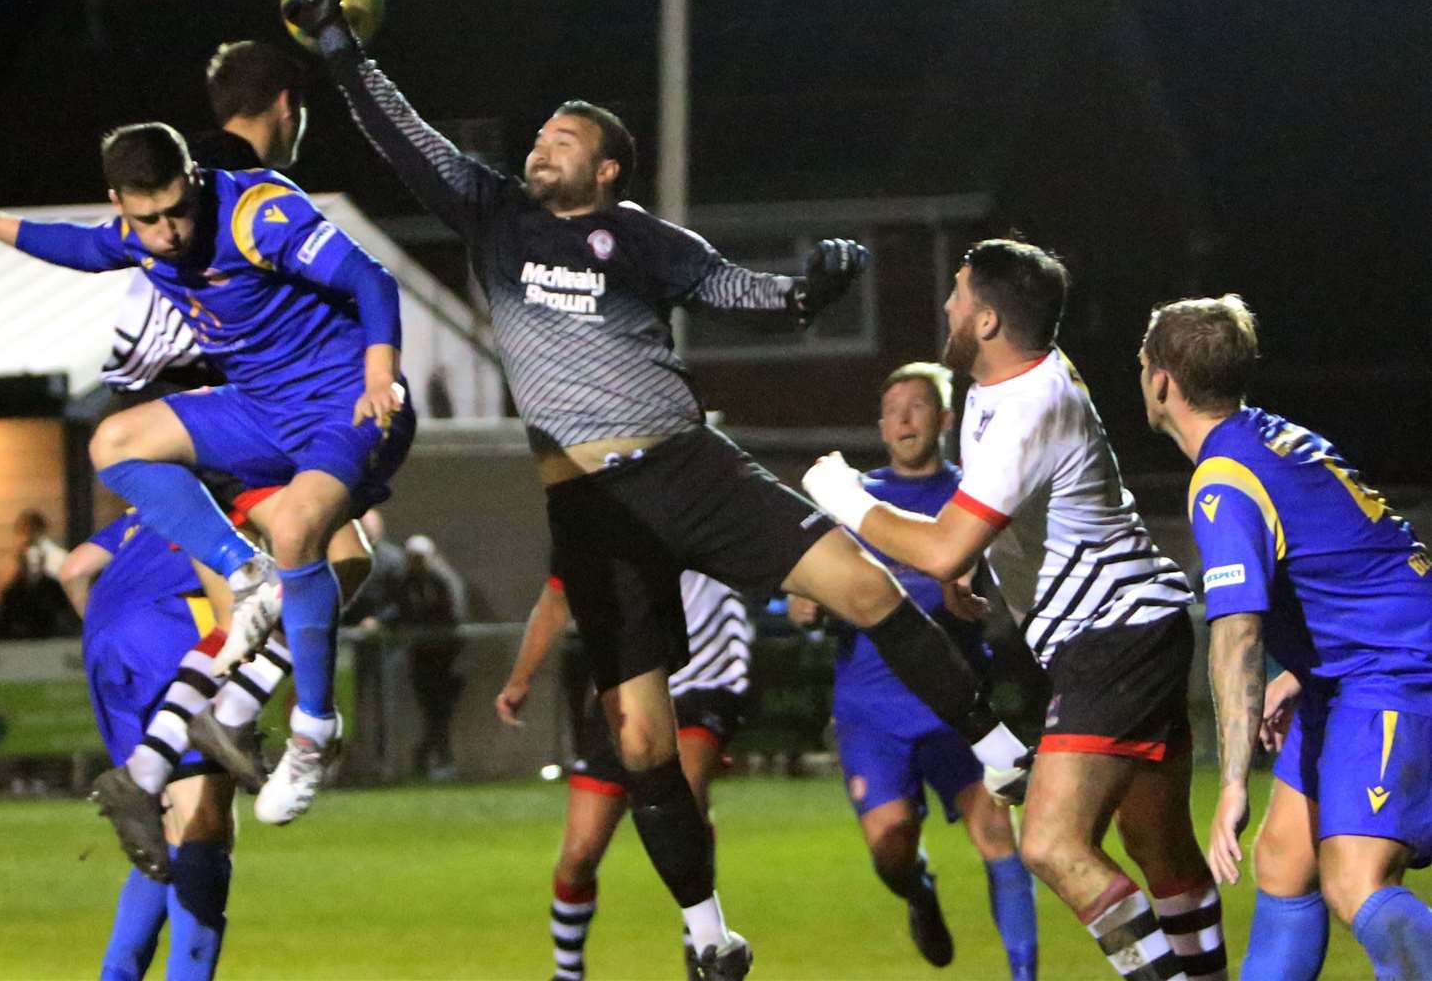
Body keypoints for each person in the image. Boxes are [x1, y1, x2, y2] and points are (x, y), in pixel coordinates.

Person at [285, 0, 1029, 979]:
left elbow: (730, 284)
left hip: (688, 465)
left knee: (860, 583)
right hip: (588, 505)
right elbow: (403, 134)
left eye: (564, 141)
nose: (540, 146)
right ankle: (709, 931)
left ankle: (994, 747)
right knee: (639, 738)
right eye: (541, 134)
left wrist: (809, 293)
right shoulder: (490, 214)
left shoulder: (634, 238)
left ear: (605, 174)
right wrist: (341, 53)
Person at [0, 120, 414, 857]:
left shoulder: (256, 214)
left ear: (196, 181)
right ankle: (243, 586)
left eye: (178, 210)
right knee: (114, 442)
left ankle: (312, 732)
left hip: (346, 403)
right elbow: (79, 248)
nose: (168, 232)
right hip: (263, 413)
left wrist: (379, 371)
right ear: (121, 203)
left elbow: (372, 277)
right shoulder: (133, 232)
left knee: (316, 537)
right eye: (147, 218)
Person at [804, 241, 1226, 981]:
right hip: (1137, 628)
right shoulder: (1006, 382)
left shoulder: (1030, 403)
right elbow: (1012, 509)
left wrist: (845, 496)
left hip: (1112, 635)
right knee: (1159, 847)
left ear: (989, 320)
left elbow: (936, 547)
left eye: (959, 296)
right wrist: (978, 557)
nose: (947, 307)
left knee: (1050, 844)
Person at [1139, 294, 1432, 981]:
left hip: (1397, 677)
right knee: (1282, 863)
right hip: (1352, 676)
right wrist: (1302, 670)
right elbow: (1367, 564)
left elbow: (1237, 636)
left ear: (1161, 381)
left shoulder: (1225, 480)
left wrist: (1234, 781)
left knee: (1354, 880)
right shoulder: (1275, 439)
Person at [789, 361, 1038, 979]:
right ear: (879, 425)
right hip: (871, 711)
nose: (902, 417)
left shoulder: (971, 497)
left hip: (956, 703)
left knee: (998, 838)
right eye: (893, 407)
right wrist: (807, 603)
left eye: (917, 406)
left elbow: (1012, 585)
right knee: (891, 850)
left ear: (944, 420)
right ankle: (919, 892)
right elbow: (804, 601)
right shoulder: (853, 500)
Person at [495, 570, 753, 981]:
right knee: (578, 854)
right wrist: (520, 678)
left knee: (686, 794)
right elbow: (556, 600)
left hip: (705, 679)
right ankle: (567, 973)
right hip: (627, 688)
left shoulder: (699, 507)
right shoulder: (586, 519)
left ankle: (701, 943)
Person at [60, 509, 235, 980]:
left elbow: (74, 569)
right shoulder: (251, 487)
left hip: (105, 636)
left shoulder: (152, 506)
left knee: (162, 824)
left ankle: (116, 974)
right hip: (174, 626)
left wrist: (119, 628)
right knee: (204, 820)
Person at [103, 40, 308, 403]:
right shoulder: (241, 184)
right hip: (184, 385)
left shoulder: (182, 167)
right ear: (285, 104)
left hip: (146, 381)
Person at [396, 534, 465, 778]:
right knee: (431, 711)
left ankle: (436, 759)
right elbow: (402, 610)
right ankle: (434, 759)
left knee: (441, 712)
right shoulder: (408, 582)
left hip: (448, 658)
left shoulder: (443, 579)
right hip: (423, 657)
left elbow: (453, 614)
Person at [0, 510, 80, 640]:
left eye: (33, 531)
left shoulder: (59, 560)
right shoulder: (11, 567)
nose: (28, 537)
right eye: (24, 532)